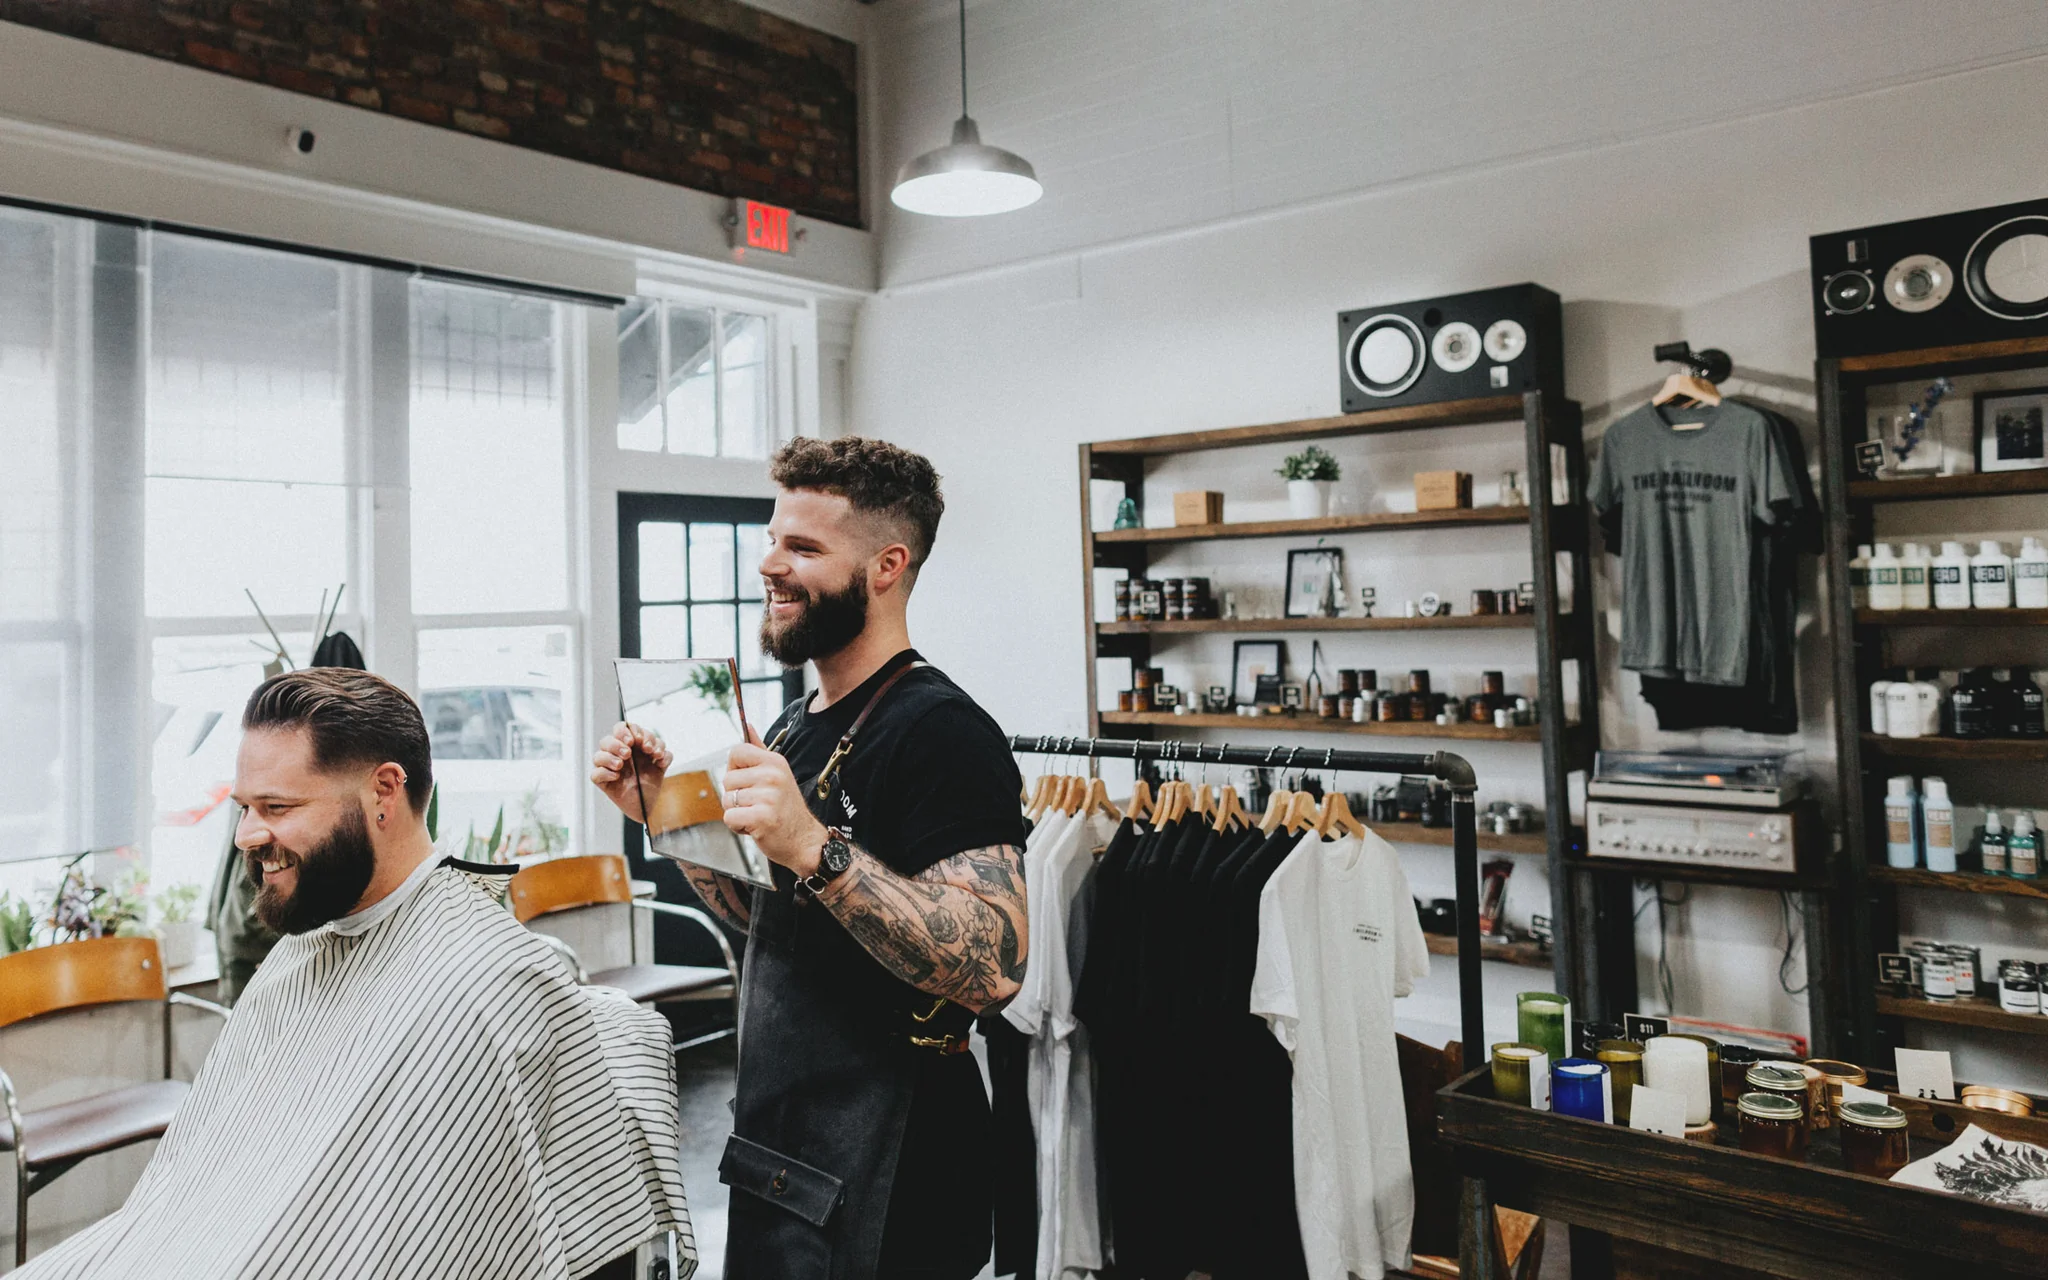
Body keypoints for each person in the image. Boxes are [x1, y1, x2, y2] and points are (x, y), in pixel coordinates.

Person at [21, 669, 693, 1280]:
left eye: (277, 808)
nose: (246, 837)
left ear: (384, 791)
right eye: (244, 809)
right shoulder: (302, 952)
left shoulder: (487, 982)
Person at [593, 436, 1029, 1280]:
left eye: (803, 548)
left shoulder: (942, 732)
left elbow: (995, 963)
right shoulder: (796, 724)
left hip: (898, 1163)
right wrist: (670, 817)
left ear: (886, 566)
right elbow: (766, 914)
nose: (770, 565)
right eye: (771, 539)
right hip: (781, 1144)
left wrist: (814, 848)